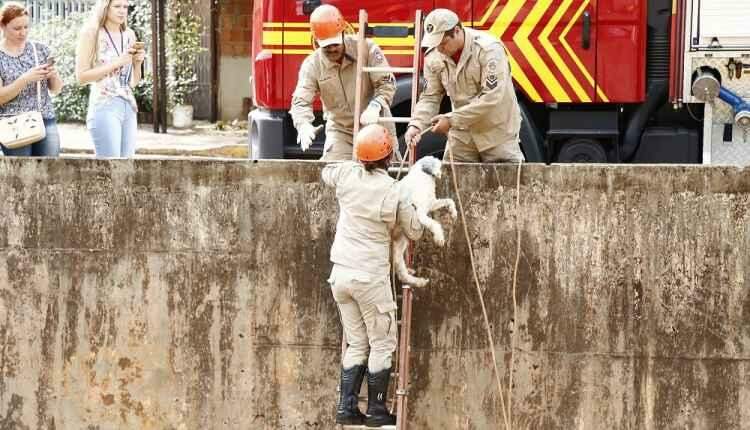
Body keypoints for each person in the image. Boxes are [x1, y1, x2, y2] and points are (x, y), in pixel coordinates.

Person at [322, 124, 423, 427]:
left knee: (357, 343)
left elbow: (327, 172)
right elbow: (415, 230)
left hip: (340, 275)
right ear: (388, 156)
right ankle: (378, 410)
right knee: (382, 344)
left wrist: (353, 164)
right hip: (369, 278)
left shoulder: (346, 176)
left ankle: (347, 408)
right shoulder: (393, 191)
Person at [404, 9, 525, 163]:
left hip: (497, 132)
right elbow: (430, 96)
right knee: (452, 182)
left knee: (505, 184)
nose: (439, 49)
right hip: (462, 135)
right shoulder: (434, 56)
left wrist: (451, 120)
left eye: (443, 43)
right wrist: (417, 124)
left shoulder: (489, 50)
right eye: (435, 44)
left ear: (457, 31)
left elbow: (491, 97)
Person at [291, 4, 396, 160]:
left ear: (343, 33)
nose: (332, 49)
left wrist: (376, 105)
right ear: (316, 41)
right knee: (333, 173)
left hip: (375, 125)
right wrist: (303, 125)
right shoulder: (312, 65)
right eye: (327, 47)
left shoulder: (367, 49)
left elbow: (386, 84)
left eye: (335, 44)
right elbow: (300, 101)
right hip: (341, 130)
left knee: (380, 176)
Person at [75, 0, 145, 158]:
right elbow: (81, 77)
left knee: (127, 168)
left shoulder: (130, 35)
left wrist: (138, 63)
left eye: (125, 7)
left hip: (128, 106)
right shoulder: (91, 33)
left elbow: (132, 83)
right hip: (104, 105)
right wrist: (117, 63)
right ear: (105, 7)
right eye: (117, 6)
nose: (122, 11)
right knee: (110, 169)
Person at [0, 2, 63, 157]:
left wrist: (53, 75)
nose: (23, 32)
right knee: (22, 176)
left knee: (50, 172)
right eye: (17, 28)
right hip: (12, 124)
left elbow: (56, 89)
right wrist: (25, 79)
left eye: (26, 27)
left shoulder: (40, 49)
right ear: (2, 26)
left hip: (44, 119)